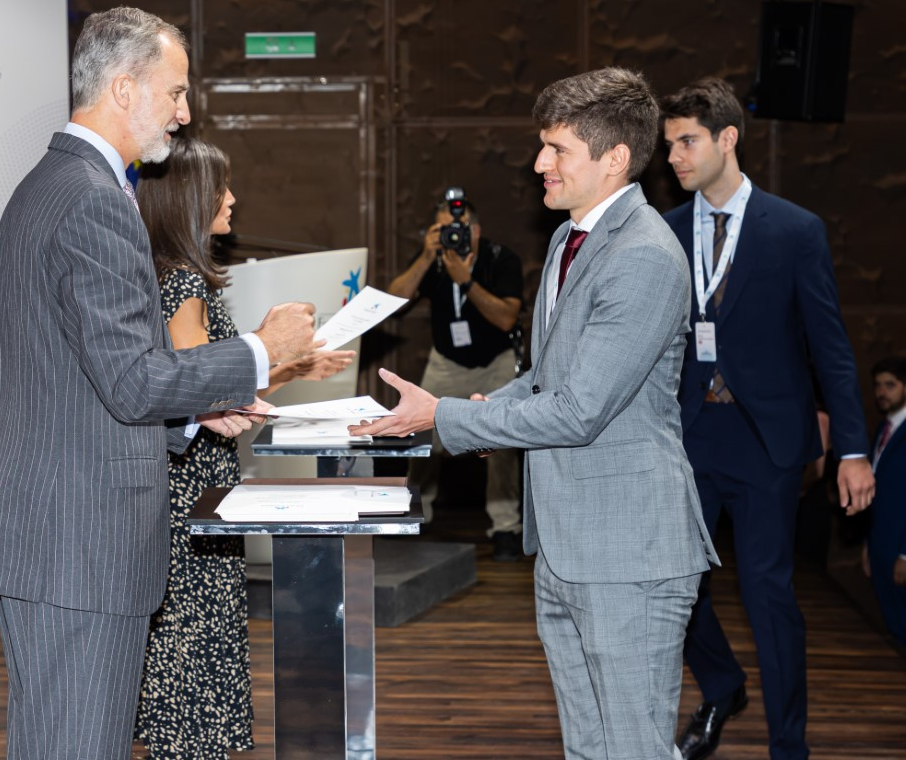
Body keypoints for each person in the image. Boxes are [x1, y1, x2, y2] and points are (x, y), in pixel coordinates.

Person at [0, 6, 318, 760]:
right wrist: (260, 349)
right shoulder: (93, 197)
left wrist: (193, 415)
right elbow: (128, 381)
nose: (184, 114)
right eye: (177, 91)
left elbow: (86, 379)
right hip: (78, 543)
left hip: (55, 534)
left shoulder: (57, 180)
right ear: (124, 88)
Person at [352, 67, 718, 760]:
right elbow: (547, 379)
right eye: (541, 145)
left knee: (633, 749)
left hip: (627, 553)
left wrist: (449, 417)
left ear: (613, 159)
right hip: (566, 546)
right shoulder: (567, 238)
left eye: (557, 149)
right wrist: (486, 406)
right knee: (588, 749)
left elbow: (579, 411)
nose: (538, 163)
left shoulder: (642, 254)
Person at [661, 76, 876, 760]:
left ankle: (790, 744)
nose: (675, 157)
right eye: (669, 146)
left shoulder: (793, 229)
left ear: (728, 139)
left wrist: (852, 448)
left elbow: (832, 350)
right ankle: (722, 683)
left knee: (767, 591)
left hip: (765, 442)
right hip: (689, 435)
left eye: (687, 141)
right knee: (674, 584)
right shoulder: (664, 233)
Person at [133, 137, 354, 759]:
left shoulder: (171, 274)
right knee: (192, 646)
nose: (233, 199)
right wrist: (269, 359)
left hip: (189, 481)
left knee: (189, 641)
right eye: (222, 188)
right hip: (191, 493)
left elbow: (213, 387)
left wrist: (289, 370)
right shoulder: (184, 284)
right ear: (189, 199)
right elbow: (191, 388)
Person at [387, 189, 524, 558]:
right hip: (447, 362)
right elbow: (394, 304)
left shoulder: (499, 259)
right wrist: (426, 257)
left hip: (495, 362)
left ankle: (506, 526)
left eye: (459, 229)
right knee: (420, 431)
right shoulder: (434, 260)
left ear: (476, 231)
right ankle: (417, 510)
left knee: (501, 441)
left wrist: (465, 280)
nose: (453, 236)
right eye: (444, 229)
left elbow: (506, 317)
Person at [865, 357, 906, 645]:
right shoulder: (884, 428)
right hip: (881, 543)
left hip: (902, 548)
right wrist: (868, 544)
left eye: (890, 385)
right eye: (878, 385)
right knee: (893, 625)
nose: (882, 392)